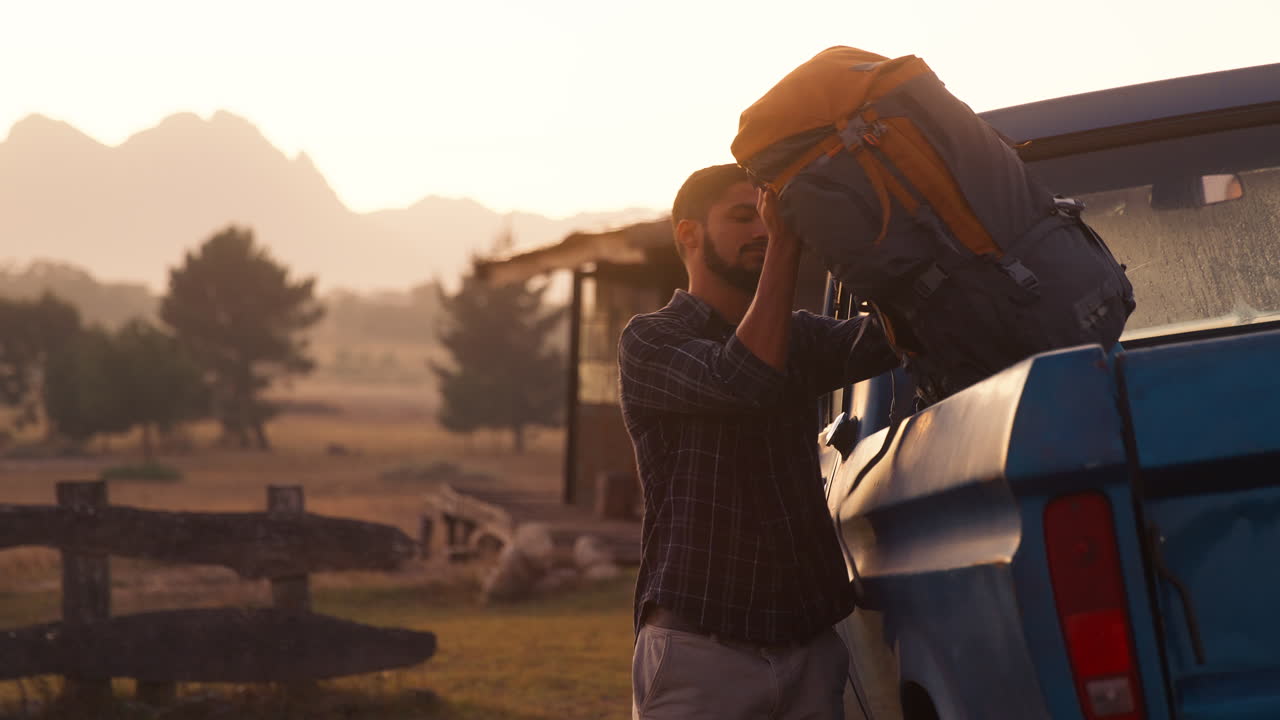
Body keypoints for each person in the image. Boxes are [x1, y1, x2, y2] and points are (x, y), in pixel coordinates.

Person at [618, 163, 899, 719]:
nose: (763, 231)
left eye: (771, 218)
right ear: (688, 234)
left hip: (810, 654)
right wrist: (786, 248)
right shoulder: (649, 340)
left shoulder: (797, 336)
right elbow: (745, 377)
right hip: (701, 656)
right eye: (744, 217)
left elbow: (896, 340)